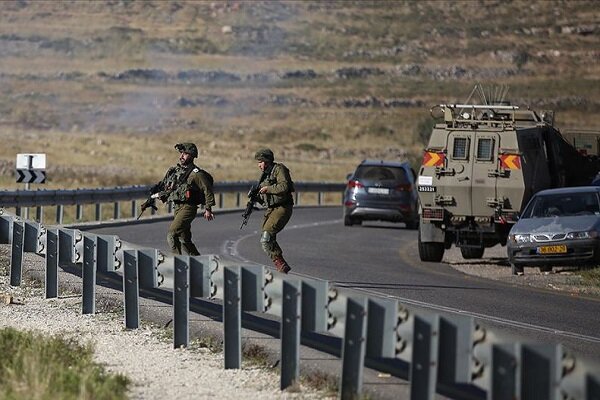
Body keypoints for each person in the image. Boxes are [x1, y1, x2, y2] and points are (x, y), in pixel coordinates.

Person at [149, 143, 215, 256]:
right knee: (184, 240)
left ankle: (177, 264)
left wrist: (208, 208)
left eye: (185, 154)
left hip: (188, 208)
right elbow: (171, 188)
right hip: (178, 207)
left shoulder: (196, 174)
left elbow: (207, 189)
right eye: (181, 153)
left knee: (172, 235)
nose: (182, 156)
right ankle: (200, 264)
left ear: (192, 155)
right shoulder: (177, 171)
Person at [254, 148, 295, 273]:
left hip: (283, 207)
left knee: (266, 237)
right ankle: (280, 262)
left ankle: (280, 264)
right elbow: (264, 197)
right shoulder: (265, 175)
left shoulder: (279, 169)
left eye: (260, 161)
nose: (259, 164)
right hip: (271, 209)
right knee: (265, 239)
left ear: (266, 161)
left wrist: (268, 189)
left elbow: (285, 186)